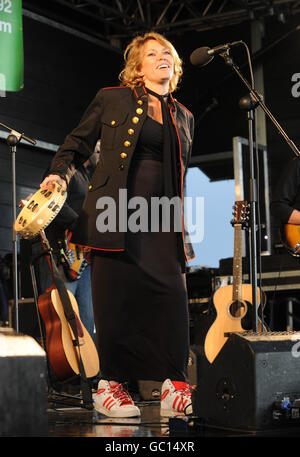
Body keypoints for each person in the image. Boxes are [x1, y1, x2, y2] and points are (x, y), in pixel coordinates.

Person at [40, 32, 195, 418]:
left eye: (168, 54)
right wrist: (59, 174)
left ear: (175, 67)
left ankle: (174, 385)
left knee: (172, 298)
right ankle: (110, 387)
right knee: (118, 302)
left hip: (163, 219)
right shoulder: (113, 99)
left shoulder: (185, 115)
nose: (163, 58)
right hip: (115, 212)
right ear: (137, 67)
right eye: (153, 54)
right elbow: (76, 144)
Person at [34, 152, 98, 338]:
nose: (101, 148)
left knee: (87, 320)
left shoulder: (90, 176)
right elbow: (53, 201)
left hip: (84, 258)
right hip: (62, 253)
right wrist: (81, 228)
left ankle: (87, 367)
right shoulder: (63, 171)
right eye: (98, 143)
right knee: (62, 318)